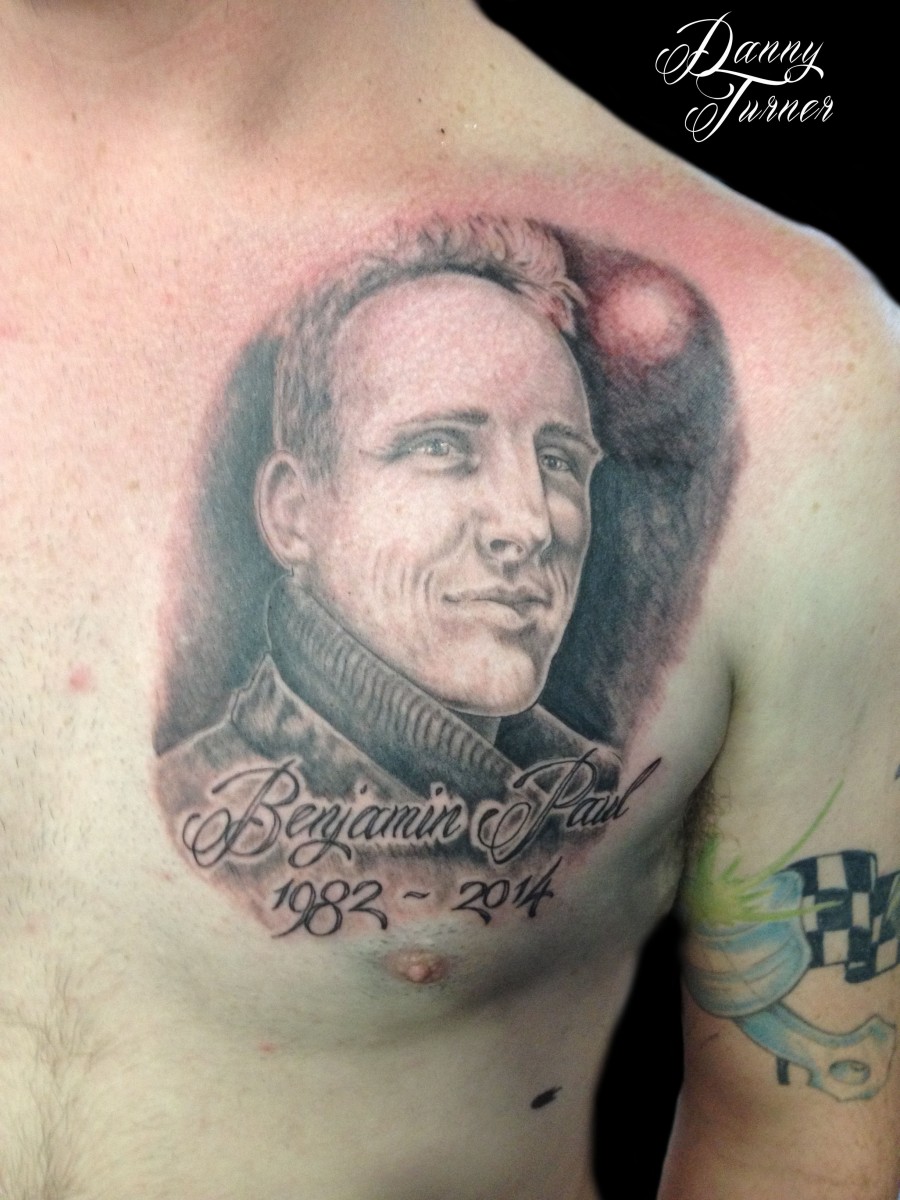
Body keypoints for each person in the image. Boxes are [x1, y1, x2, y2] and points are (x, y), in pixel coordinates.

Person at [0, 4, 896, 1199]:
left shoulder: (803, 373)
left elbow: (805, 1152)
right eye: (441, 447)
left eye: (563, 461)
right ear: (289, 510)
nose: (530, 522)